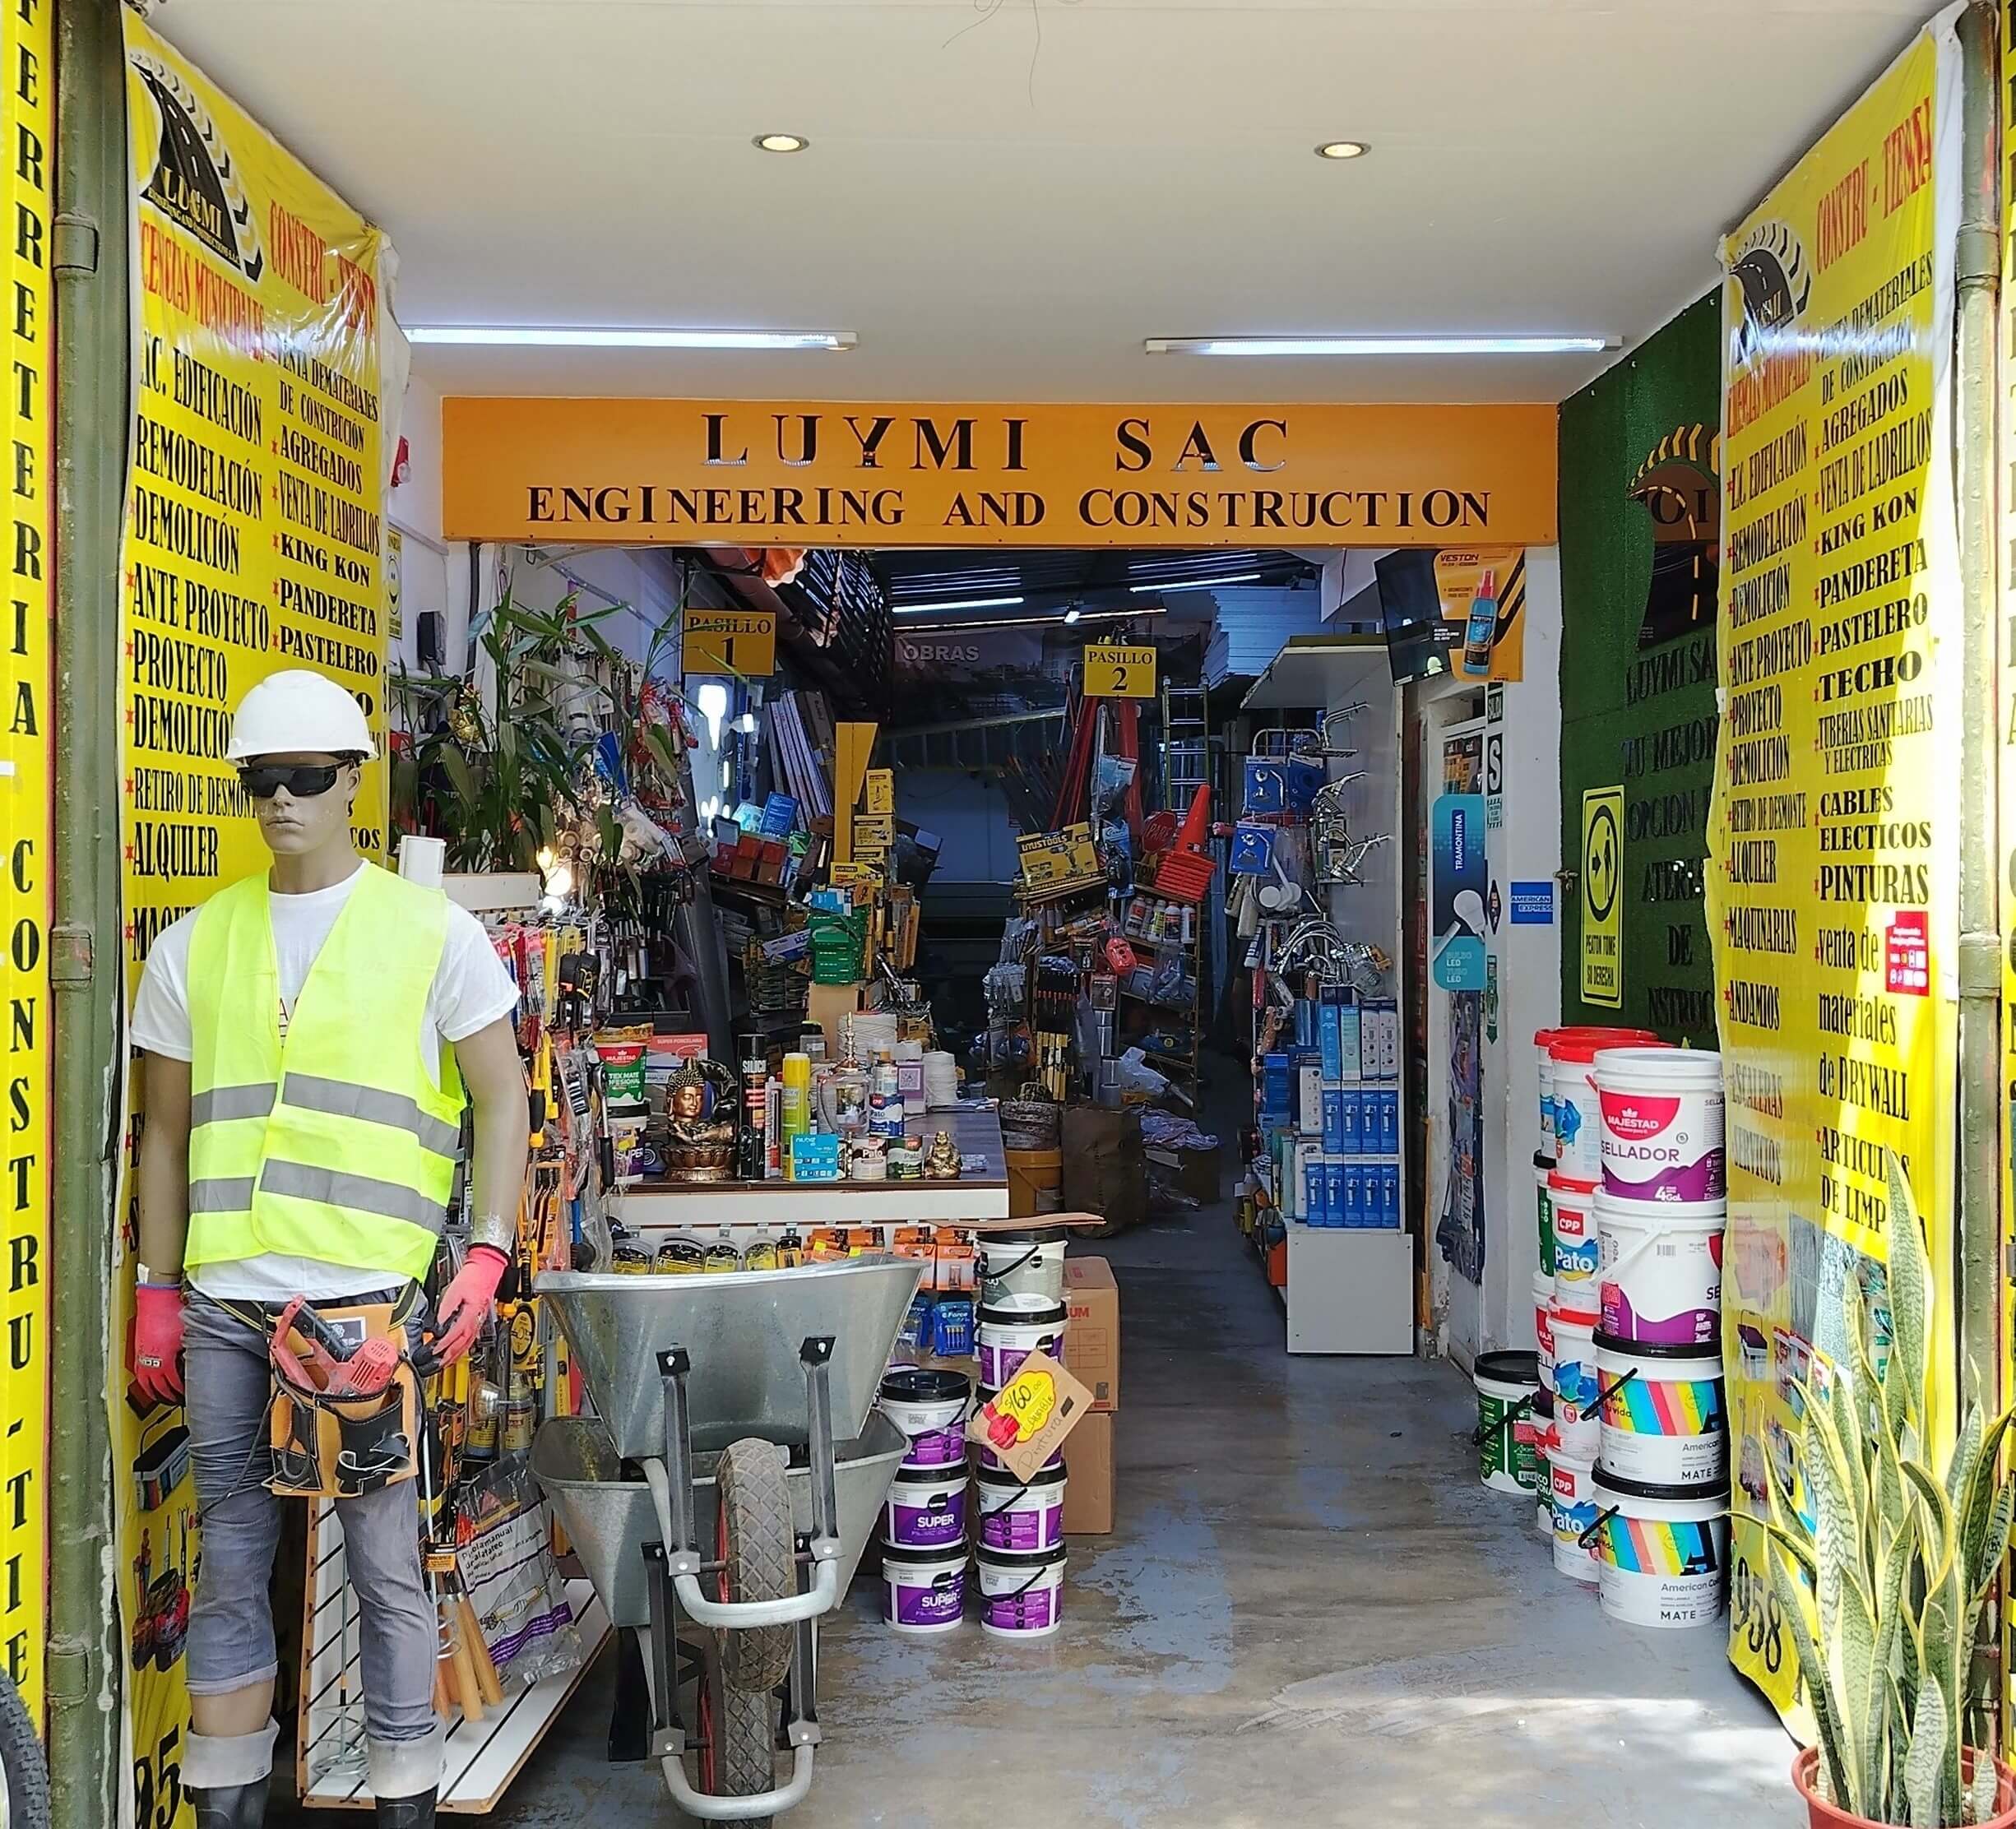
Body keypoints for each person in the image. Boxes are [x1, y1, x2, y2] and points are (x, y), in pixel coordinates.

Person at [128, 671, 531, 1829]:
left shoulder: (433, 935)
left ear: (354, 780)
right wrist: (158, 1288)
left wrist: (488, 1252)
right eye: (260, 780)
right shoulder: (193, 948)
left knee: (383, 1565)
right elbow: (165, 1132)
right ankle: (227, 1805)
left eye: (306, 777)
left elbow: (502, 1096)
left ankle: (404, 1801)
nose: (281, 801)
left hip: (361, 1311)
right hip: (224, 1305)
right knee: (230, 1559)